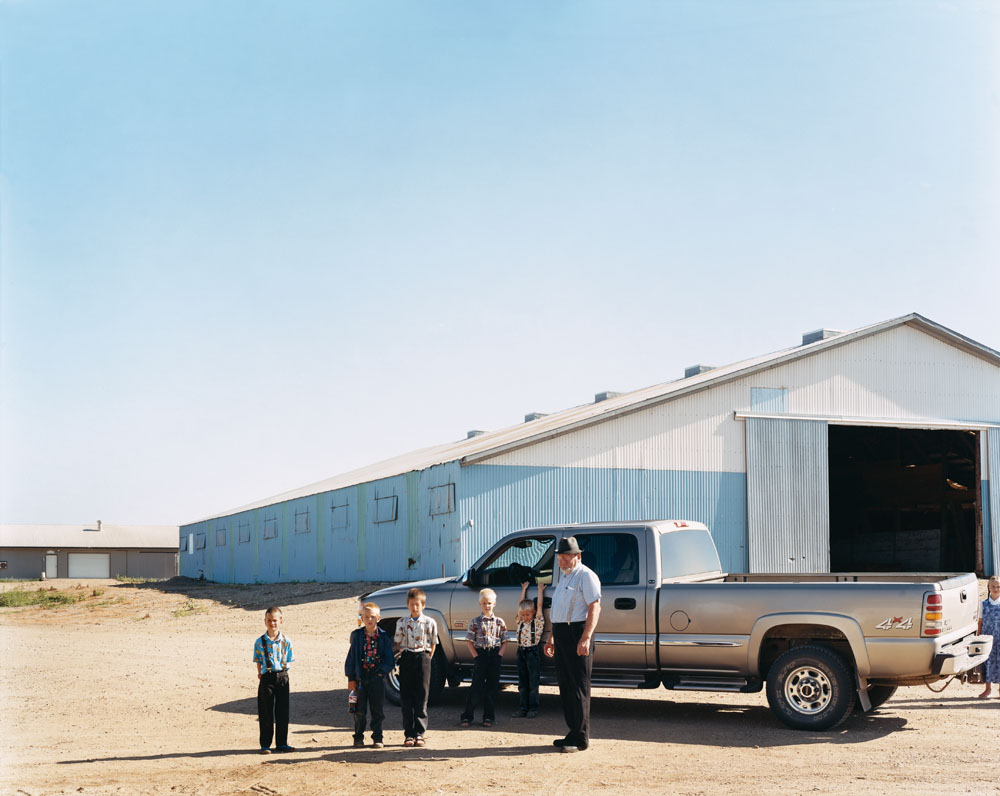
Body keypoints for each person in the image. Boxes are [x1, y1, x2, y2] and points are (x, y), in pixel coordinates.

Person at [543, 536, 601, 753]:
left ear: (578, 556)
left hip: (577, 633)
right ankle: (572, 730)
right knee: (566, 685)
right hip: (562, 633)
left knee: (578, 686)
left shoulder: (586, 576)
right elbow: (559, 611)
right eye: (560, 557)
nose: (563, 561)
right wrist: (552, 638)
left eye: (567, 557)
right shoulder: (564, 579)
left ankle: (581, 737)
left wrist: (585, 638)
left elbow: (595, 607)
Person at [393, 587, 438, 747]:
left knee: (422, 696)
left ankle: (420, 733)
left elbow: (433, 644)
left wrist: (426, 658)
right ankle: (408, 734)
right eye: (412, 604)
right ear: (407, 604)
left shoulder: (430, 622)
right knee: (406, 697)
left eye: (418, 605)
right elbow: (398, 642)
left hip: (423, 658)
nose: (415, 608)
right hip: (407, 658)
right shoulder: (402, 623)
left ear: (423, 605)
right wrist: (406, 654)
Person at [345, 601, 394, 748]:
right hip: (361, 677)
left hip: (376, 677)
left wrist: (381, 673)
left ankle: (377, 737)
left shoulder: (384, 637)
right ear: (362, 618)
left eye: (373, 617)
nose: (370, 620)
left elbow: (389, 659)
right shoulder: (357, 636)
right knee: (359, 710)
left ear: (378, 618)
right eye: (366, 617)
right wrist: (351, 678)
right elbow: (351, 658)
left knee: (377, 709)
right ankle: (358, 737)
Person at [459, 588, 508, 728]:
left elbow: (505, 640)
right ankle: (467, 716)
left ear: (495, 604)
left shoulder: (499, 622)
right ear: (480, 603)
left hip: (494, 655)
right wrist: (476, 656)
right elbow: (469, 641)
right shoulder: (475, 622)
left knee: (492, 688)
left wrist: (499, 655)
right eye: (484, 603)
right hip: (481, 655)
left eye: (490, 603)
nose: (487, 605)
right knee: (476, 687)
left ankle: (488, 717)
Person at [253, 606, 296, 754]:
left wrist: (283, 674)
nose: (272, 624)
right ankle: (265, 744)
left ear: (281, 621)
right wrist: (260, 674)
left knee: (283, 711)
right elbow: (258, 660)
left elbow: (289, 659)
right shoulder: (259, 642)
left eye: (275, 620)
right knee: (266, 711)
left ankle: (282, 743)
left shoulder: (286, 641)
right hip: (267, 677)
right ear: (265, 621)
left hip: (282, 676)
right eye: (269, 620)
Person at [512, 580, 546, 718]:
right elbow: (520, 605)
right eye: (523, 615)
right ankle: (522, 708)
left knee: (533, 682)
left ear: (532, 613)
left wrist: (540, 590)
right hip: (521, 652)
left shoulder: (537, 622)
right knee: (522, 682)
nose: (525, 617)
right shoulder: (519, 620)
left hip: (532, 652)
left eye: (527, 615)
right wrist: (523, 589)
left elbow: (539, 605)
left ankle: (533, 708)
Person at [977, 575, 1000, 699]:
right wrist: (978, 638)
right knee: (988, 663)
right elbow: (980, 622)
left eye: (998, 586)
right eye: (993, 586)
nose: (996, 589)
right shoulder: (983, 604)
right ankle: (988, 689)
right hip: (988, 639)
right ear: (988, 587)